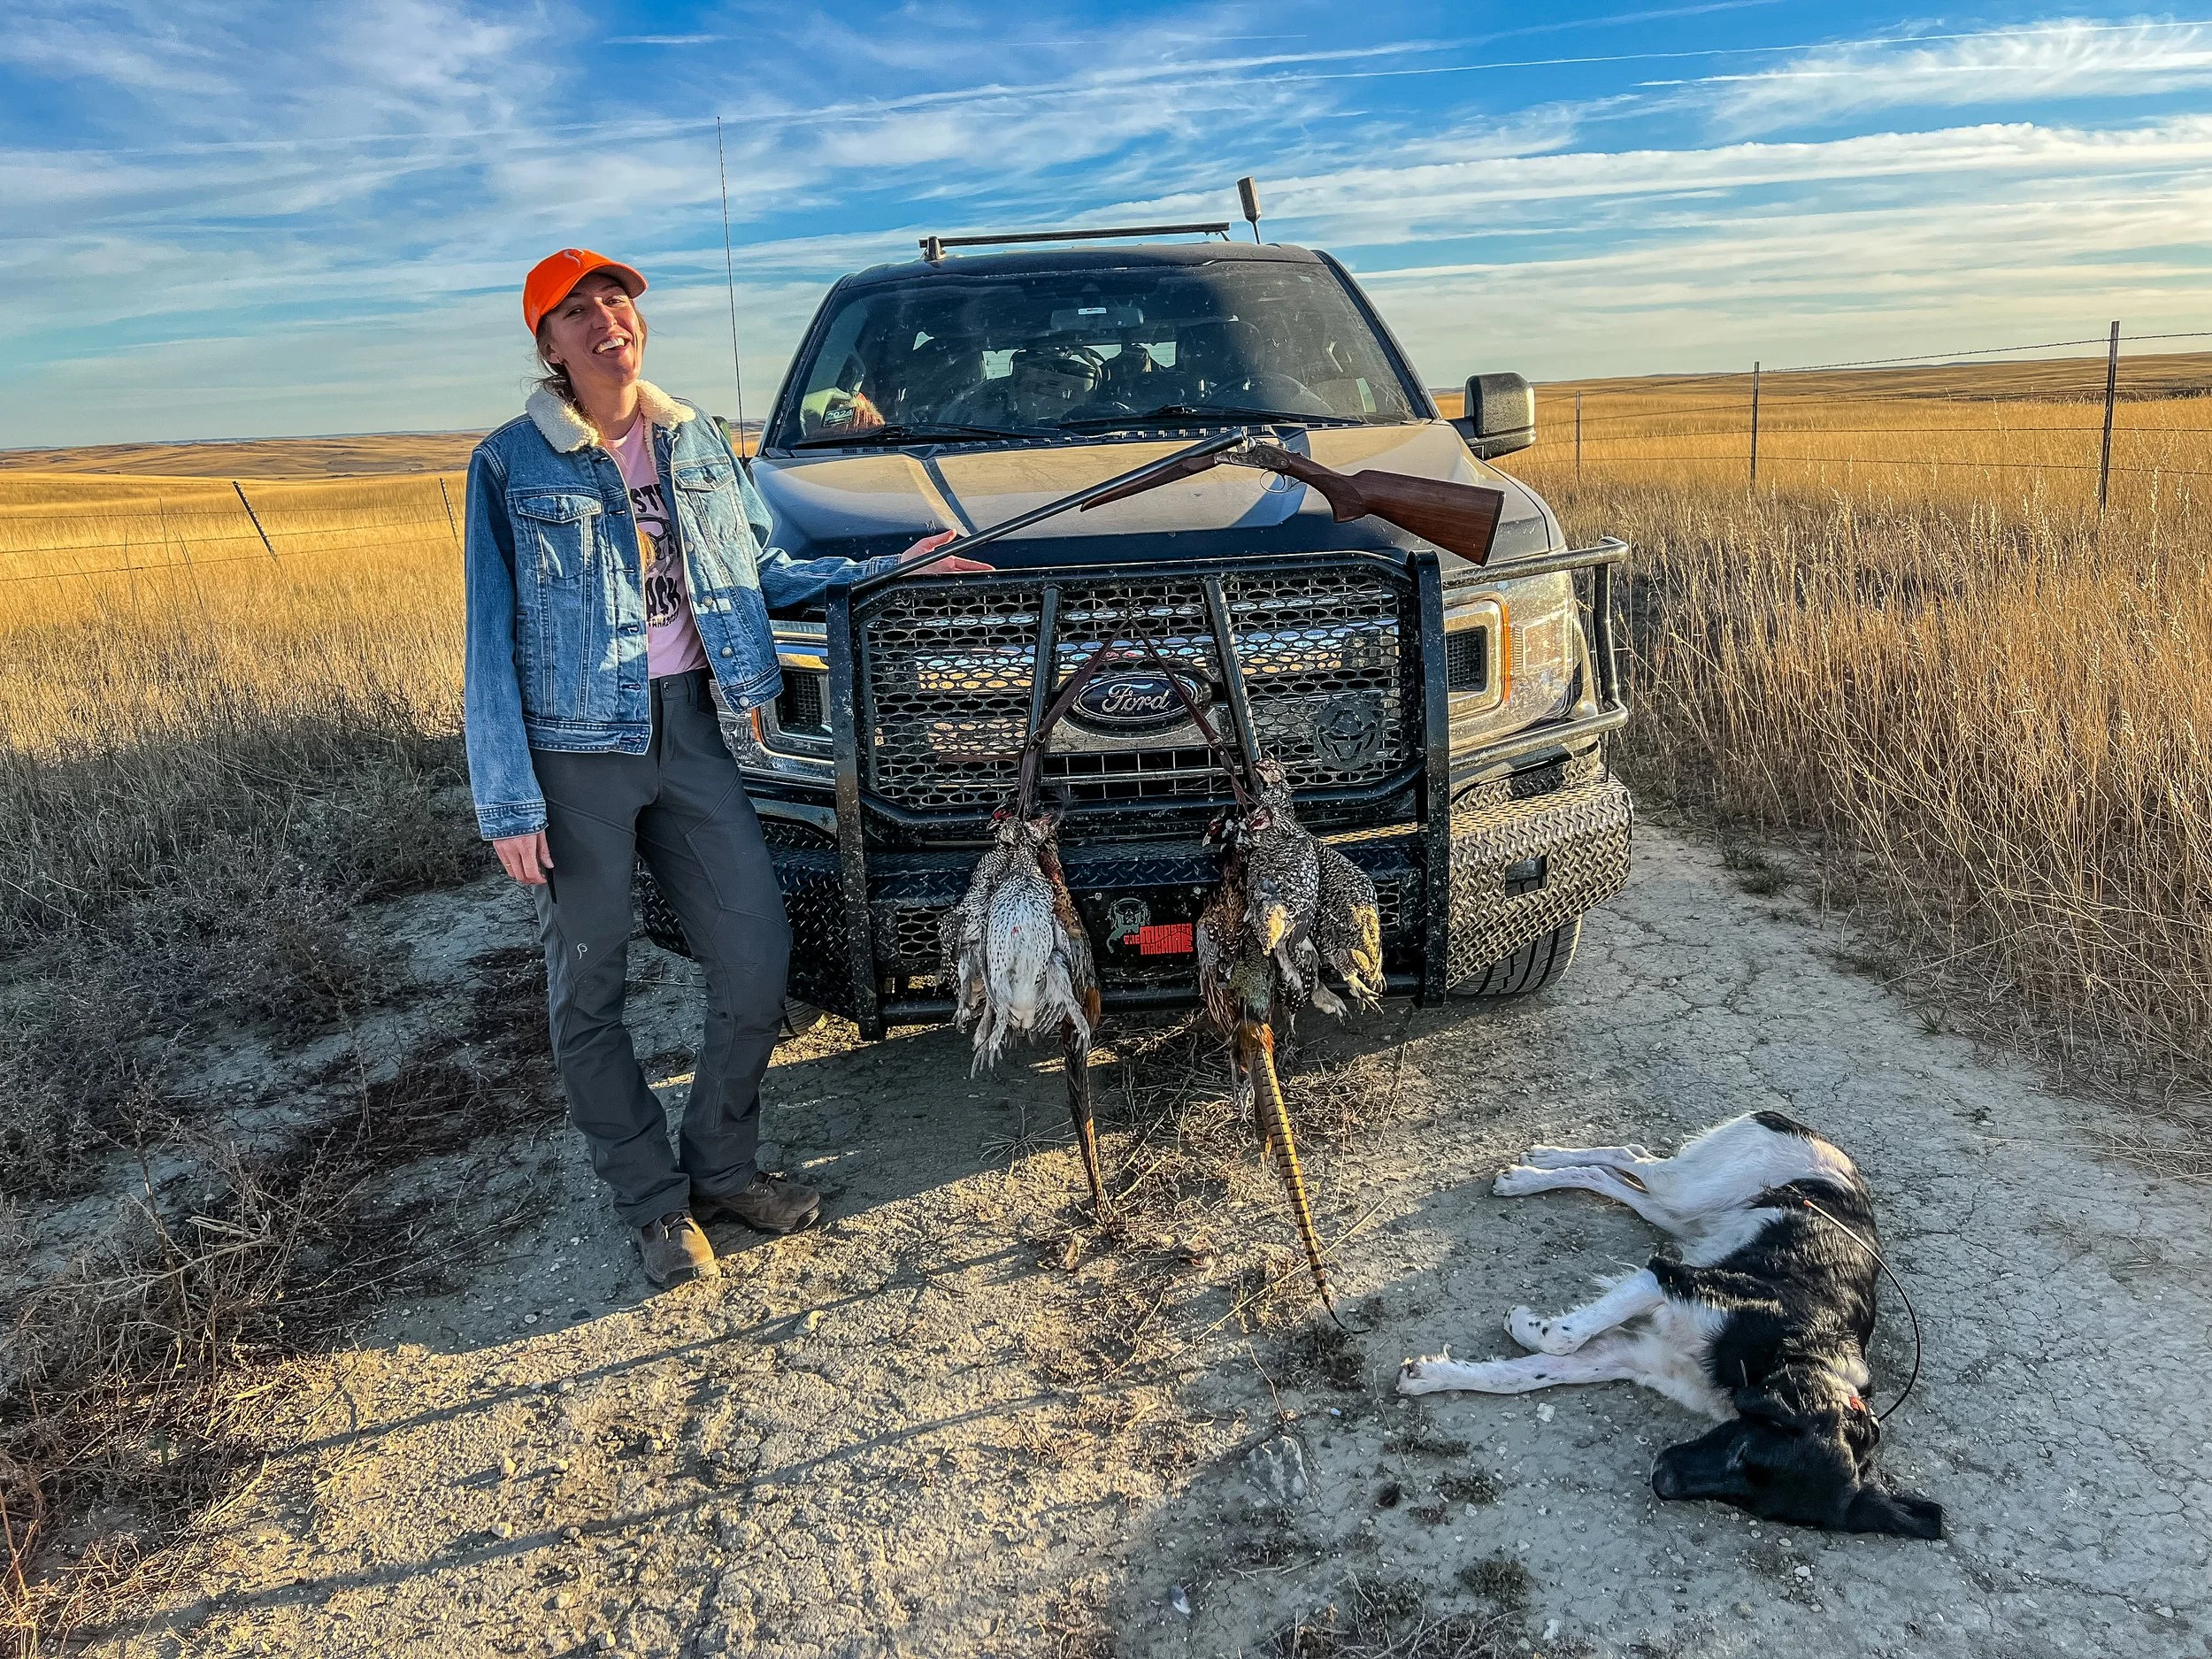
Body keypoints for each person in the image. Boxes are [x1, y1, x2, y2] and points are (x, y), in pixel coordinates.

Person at [463, 248, 986, 1289]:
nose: (607, 320)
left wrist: (889, 568)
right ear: (550, 343)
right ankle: (653, 1203)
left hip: (693, 734)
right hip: (577, 750)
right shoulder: (511, 463)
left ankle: (722, 1166)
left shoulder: (692, 437)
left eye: (617, 300)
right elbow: (489, 636)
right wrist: (508, 799)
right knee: (588, 985)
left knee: (756, 958)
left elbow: (761, 569)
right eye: (578, 311)